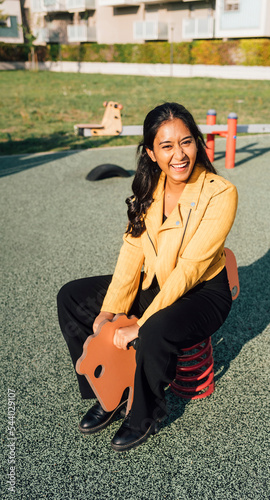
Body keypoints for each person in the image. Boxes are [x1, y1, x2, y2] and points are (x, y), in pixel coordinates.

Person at [57, 102, 238, 452]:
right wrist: (109, 312)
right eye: (166, 146)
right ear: (152, 153)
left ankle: (144, 414)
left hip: (202, 293)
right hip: (159, 281)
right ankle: (106, 391)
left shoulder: (220, 192)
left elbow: (190, 269)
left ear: (197, 143)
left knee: (154, 327)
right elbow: (132, 252)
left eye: (186, 142)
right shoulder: (150, 187)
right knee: (72, 296)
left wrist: (140, 325)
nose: (179, 154)